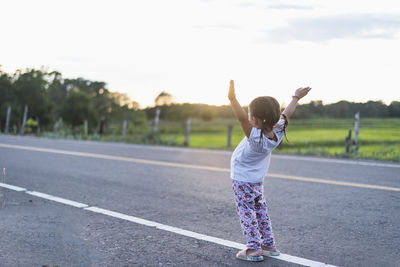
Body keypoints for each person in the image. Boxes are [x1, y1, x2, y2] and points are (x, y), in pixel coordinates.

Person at [228, 80, 311, 262]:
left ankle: (253, 249)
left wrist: (232, 99)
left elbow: (241, 119)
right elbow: (286, 113)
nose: (248, 118)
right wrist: (296, 97)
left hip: (242, 181)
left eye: (250, 115)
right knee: (260, 210)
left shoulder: (255, 136)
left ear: (256, 120)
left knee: (247, 212)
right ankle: (269, 244)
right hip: (256, 181)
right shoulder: (278, 130)